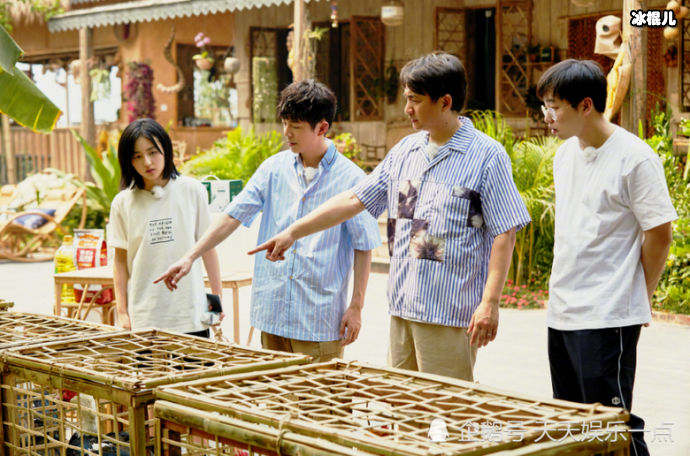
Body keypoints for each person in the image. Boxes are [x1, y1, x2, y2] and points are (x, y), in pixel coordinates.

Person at [250, 52, 531, 381]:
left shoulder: (486, 155)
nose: (407, 108)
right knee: (401, 406)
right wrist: (293, 232)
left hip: (448, 312)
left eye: (415, 100)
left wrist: (490, 302)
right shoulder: (405, 151)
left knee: (443, 407)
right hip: (402, 307)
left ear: (445, 102)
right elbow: (354, 199)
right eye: (406, 98)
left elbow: (505, 231)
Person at [155, 80, 381, 361]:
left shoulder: (352, 179)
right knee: (273, 389)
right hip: (272, 315)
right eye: (284, 123)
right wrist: (190, 256)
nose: (287, 133)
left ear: (322, 128)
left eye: (295, 126)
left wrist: (356, 306)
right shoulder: (273, 169)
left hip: (319, 320)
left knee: (321, 391)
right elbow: (232, 215)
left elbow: (364, 245)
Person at [537, 59, 676, 456]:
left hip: (607, 314)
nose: (547, 116)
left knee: (612, 426)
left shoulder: (635, 158)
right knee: (572, 425)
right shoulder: (565, 154)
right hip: (562, 311)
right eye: (544, 106)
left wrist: (640, 294)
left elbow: (659, 234)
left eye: (554, 107)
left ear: (585, 106)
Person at [110, 118, 223, 337]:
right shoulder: (122, 202)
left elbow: (208, 248)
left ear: (166, 150)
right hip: (145, 318)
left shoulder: (193, 190)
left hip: (191, 315)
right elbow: (120, 261)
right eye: (137, 156)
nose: (147, 162)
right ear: (128, 161)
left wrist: (217, 299)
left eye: (153, 152)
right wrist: (122, 313)